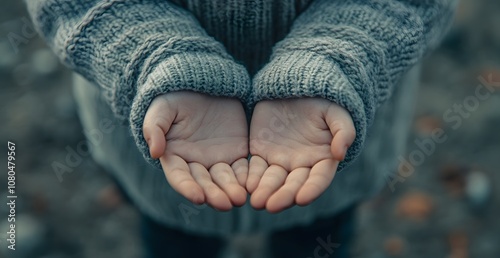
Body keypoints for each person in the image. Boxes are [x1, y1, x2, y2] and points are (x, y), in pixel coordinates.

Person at [26, 0, 457, 257]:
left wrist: (337, 58)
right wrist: (156, 58)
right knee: (175, 244)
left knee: (317, 243)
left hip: (332, 150)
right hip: (164, 162)